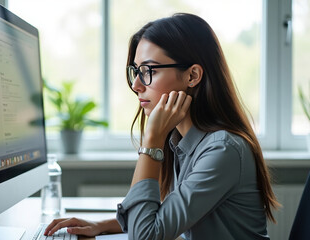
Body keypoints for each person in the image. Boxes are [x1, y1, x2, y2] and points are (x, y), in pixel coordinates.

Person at [44, 13, 279, 240]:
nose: (136, 85)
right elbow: (162, 216)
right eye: (136, 71)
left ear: (192, 76)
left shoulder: (223, 150)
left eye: (149, 71)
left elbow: (145, 236)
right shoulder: (182, 141)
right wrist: (101, 226)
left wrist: (152, 140)